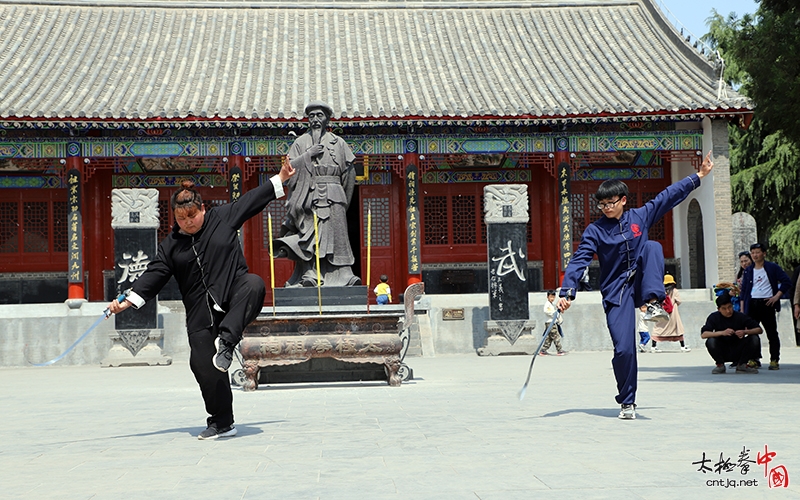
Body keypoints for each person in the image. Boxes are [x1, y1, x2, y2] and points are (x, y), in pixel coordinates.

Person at [108, 159, 296, 440]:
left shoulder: (223, 217)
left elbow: (252, 199)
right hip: (200, 312)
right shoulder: (171, 246)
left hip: (233, 294)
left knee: (254, 284)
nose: (188, 223)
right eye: (182, 219)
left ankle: (227, 342)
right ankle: (222, 421)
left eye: (192, 216)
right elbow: (154, 274)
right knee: (202, 364)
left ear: (203, 210)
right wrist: (128, 300)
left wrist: (280, 178)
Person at [557, 151, 714, 420]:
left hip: (642, 284)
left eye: (611, 202)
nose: (606, 207)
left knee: (652, 246)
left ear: (623, 201)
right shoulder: (595, 231)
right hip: (616, 292)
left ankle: (653, 303)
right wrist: (566, 291)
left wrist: (698, 176)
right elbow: (579, 260)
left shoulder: (640, 217)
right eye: (602, 204)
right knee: (624, 349)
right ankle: (627, 401)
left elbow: (668, 195)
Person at [273, 101, 361, 287]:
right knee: (308, 236)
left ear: (327, 119)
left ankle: (343, 276)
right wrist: (308, 155)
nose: (315, 120)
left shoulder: (339, 143)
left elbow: (349, 174)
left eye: (319, 115)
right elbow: (288, 170)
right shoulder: (300, 143)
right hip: (308, 197)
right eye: (311, 116)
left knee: (337, 237)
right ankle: (309, 275)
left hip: (334, 196)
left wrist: (343, 200)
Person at [739, 242, 792, 370]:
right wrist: (742, 309)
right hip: (752, 304)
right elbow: (744, 291)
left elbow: (786, 282)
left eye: (757, 252)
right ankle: (754, 359)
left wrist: (776, 296)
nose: (755, 255)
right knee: (751, 333)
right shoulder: (748, 271)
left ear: (764, 253)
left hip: (767, 303)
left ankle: (774, 359)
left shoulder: (772, 267)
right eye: (753, 253)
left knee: (771, 333)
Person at [701, 292, 762, 374]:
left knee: (754, 338)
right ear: (719, 309)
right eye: (724, 308)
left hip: (738, 348)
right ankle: (720, 365)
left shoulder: (740, 316)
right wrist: (722, 333)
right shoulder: (714, 317)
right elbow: (704, 334)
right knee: (711, 341)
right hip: (722, 348)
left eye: (730, 307)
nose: (728, 311)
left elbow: (759, 330)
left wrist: (745, 332)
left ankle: (742, 364)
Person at [650, 274, 690, 352]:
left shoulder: (660, 291)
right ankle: (683, 346)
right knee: (677, 328)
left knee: (658, 327)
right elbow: (679, 301)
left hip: (662, 312)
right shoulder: (674, 291)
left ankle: (653, 346)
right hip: (673, 313)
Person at [541, 290, 567, 356]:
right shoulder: (547, 304)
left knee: (549, 338)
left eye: (553, 297)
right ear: (547, 297)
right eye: (551, 297)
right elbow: (546, 311)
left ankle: (543, 350)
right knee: (556, 336)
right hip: (550, 323)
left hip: (552, 323)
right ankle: (559, 350)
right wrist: (554, 314)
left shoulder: (551, 305)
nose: (552, 298)